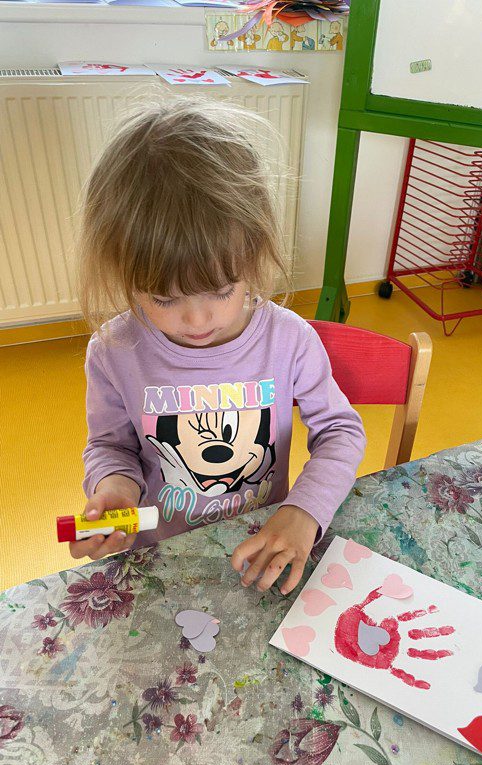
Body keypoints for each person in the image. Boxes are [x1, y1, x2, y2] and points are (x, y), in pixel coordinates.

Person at [73, 100, 366, 595]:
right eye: (164, 298)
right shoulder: (114, 351)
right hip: (162, 556)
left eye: (221, 290)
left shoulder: (289, 340)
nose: (197, 319)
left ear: (253, 255)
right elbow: (110, 446)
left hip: (262, 547)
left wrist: (304, 510)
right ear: (123, 273)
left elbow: (340, 431)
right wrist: (115, 487)